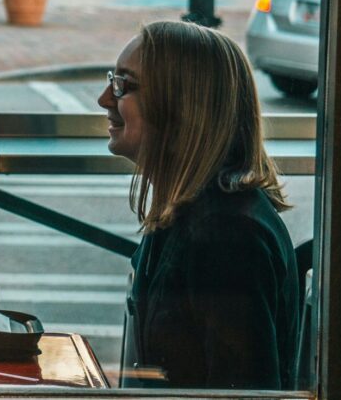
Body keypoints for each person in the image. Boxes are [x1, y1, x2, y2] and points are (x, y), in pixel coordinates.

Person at [100, 21, 299, 389]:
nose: (105, 99)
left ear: (180, 104)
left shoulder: (225, 238)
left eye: (122, 86)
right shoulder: (200, 211)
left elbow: (244, 393)